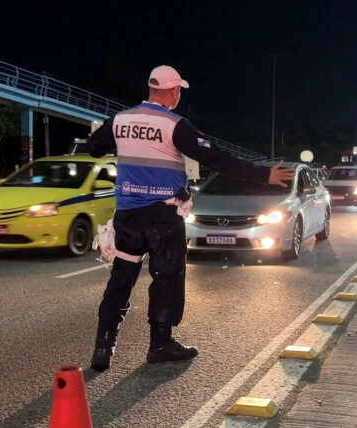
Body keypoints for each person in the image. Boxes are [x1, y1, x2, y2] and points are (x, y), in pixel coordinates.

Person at [86, 65, 295, 372]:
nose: (178, 95)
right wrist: (264, 174)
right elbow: (217, 158)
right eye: (179, 91)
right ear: (173, 91)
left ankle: (103, 348)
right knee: (166, 278)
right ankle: (160, 345)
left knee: (120, 277)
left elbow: (94, 147)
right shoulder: (175, 125)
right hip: (162, 216)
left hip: (128, 216)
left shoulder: (121, 120)